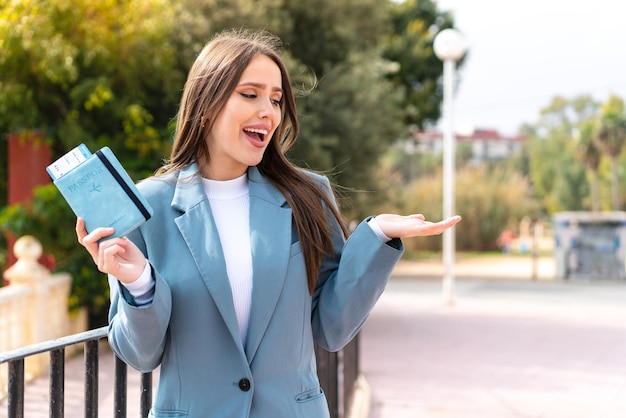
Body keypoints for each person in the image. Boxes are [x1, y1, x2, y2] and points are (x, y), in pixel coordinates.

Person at [76, 28, 461, 418]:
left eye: (276, 100)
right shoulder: (147, 205)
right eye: (251, 94)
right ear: (207, 103)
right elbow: (141, 356)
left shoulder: (307, 196)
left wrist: (377, 234)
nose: (269, 112)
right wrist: (140, 284)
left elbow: (332, 326)